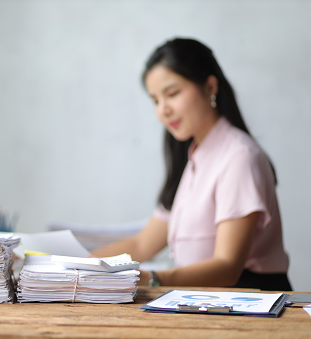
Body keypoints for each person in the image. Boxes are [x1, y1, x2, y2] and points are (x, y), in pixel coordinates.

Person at [91, 37, 292, 291]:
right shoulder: (194, 157)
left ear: (209, 87)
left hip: (250, 304)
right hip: (206, 302)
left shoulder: (239, 156)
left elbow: (227, 266)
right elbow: (142, 244)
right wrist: (79, 266)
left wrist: (152, 278)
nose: (163, 110)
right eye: (155, 100)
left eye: (172, 94)